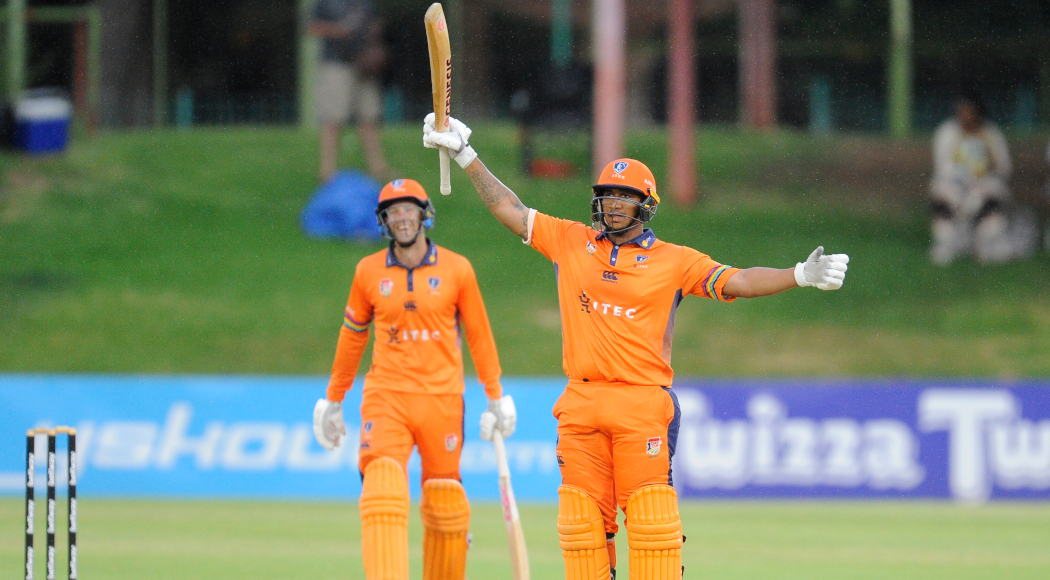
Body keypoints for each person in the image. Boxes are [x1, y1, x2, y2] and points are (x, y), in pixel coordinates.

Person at [422, 115, 849, 580]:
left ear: (646, 205)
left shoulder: (675, 261)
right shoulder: (570, 241)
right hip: (581, 402)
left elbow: (740, 281)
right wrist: (466, 155)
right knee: (582, 529)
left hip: (642, 403)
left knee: (651, 530)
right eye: (607, 196)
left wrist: (799, 274)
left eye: (625, 196)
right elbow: (511, 208)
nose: (614, 205)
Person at [312, 178, 517, 580]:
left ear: (424, 215)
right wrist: (334, 398)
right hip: (387, 395)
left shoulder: (457, 269)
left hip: (442, 399)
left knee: (445, 506)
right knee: (382, 487)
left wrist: (495, 396)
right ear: (383, 221)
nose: (402, 218)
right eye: (393, 212)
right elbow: (352, 338)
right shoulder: (368, 271)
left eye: (408, 210)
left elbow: (479, 335)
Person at [930, 93, 1034, 264]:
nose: (965, 116)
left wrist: (981, 178)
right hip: (955, 185)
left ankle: (984, 247)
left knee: (990, 220)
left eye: (969, 112)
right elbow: (943, 168)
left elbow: (1004, 167)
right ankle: (947, 246)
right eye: (961, 112)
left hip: (984, 185)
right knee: (943, 197)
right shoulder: (947, 132)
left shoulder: (991, 133)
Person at [308, 0, 391, 183]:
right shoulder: (325, 3)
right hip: (336, 63)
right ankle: (327, 171)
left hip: (363, 62)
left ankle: (378, 168)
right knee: (332, 120)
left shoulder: (366, 3)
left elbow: (376, 23)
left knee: (369, 118)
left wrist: (369, 34)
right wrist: (340, 30)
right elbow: (311, 27)